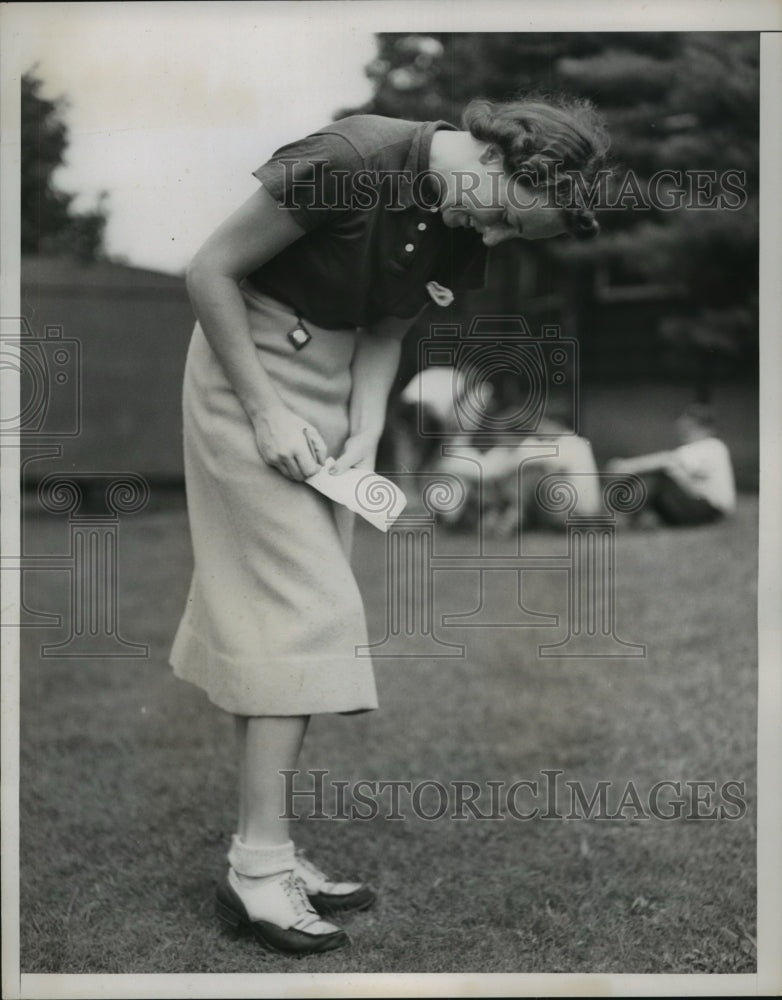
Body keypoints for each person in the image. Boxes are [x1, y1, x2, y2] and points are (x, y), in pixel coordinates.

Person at [168, 96, 610, 955]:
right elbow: (208, 272)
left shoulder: (459, 219)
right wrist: (264, 412)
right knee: (305, 613)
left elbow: (388, 322)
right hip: (243, 378)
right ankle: (256, 871)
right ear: (495, 159)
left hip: (332, 393)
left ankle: (268, 851)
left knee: (274, 619)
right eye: (508, 220)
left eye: (518, 238)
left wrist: (365, 430)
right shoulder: (350, 158)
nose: (495, 242)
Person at [606, 403, 736, 526]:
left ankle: (624, 519)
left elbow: (667, 460)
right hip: (699, 508)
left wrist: (629, 465)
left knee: (658, 477)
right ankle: (628, 518)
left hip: (712, 511)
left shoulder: (712, 446)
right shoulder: (699, 449)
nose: (686, 432)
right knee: (656, 476)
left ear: (705, 429)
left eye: (690, 428)